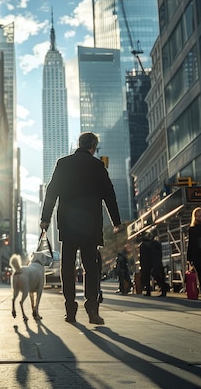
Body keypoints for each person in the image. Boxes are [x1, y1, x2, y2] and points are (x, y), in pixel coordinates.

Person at [40, 132, 122, 325]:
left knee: (67, 267)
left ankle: (70, 310)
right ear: (93, 147)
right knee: (90, 268)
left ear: (79, 144)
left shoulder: (63, 163)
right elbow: (109, 195)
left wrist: (45, 219)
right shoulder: (97, 166)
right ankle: (92, 309)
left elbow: (51, 192)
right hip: (91, 225)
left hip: (68, 224)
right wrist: (116, 222)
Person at [139, 231, 167, 297]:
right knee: (157, 275)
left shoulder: (143, 245)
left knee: (147, 277)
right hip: (156, 262)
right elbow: (159, 254)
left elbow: (142, 257)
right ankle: (163, 289)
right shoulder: (156, 244)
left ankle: (149, 291)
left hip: (147, 263)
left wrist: (142, 264)